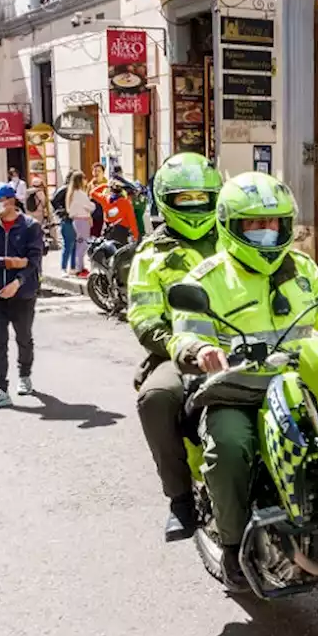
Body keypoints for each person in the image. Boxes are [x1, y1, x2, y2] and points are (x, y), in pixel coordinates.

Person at [167, 172, 318, 589]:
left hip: (300, 383)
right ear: (230, 226)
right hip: (236, 389)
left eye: (272, 224)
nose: (265, 233)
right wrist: (200, 351)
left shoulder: (300, 268)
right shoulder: (207, 279)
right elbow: (186, 331)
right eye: (253, 225)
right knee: (228, 446)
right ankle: (230, 547)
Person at [127, 153, 223, 541]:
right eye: (185, 199)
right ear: (167, 201)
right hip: (180, 352)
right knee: (155, 398)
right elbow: (144, 318)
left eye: (203, 197)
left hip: (248, 339)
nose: (195, 206)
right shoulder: (150, 254)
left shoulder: (235, 237)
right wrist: (183, 348)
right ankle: (180, 499)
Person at [0, 182, 43, 410]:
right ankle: (0, 389)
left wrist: (17, 281)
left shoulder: (31, 226)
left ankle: (24, 374)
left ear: (10, 201)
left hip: (23, 295)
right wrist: (7, 262)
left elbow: (33, 261)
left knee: (24, 338)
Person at [64, 170, 93, 278]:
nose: (86, 180)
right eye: (84, 178)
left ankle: (79, 267)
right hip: (82, 221)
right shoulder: (80, 194)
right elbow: (90, 206)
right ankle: (79, 268)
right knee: (83, 245)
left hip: (77, 220)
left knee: (80, 244)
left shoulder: (72, 193)